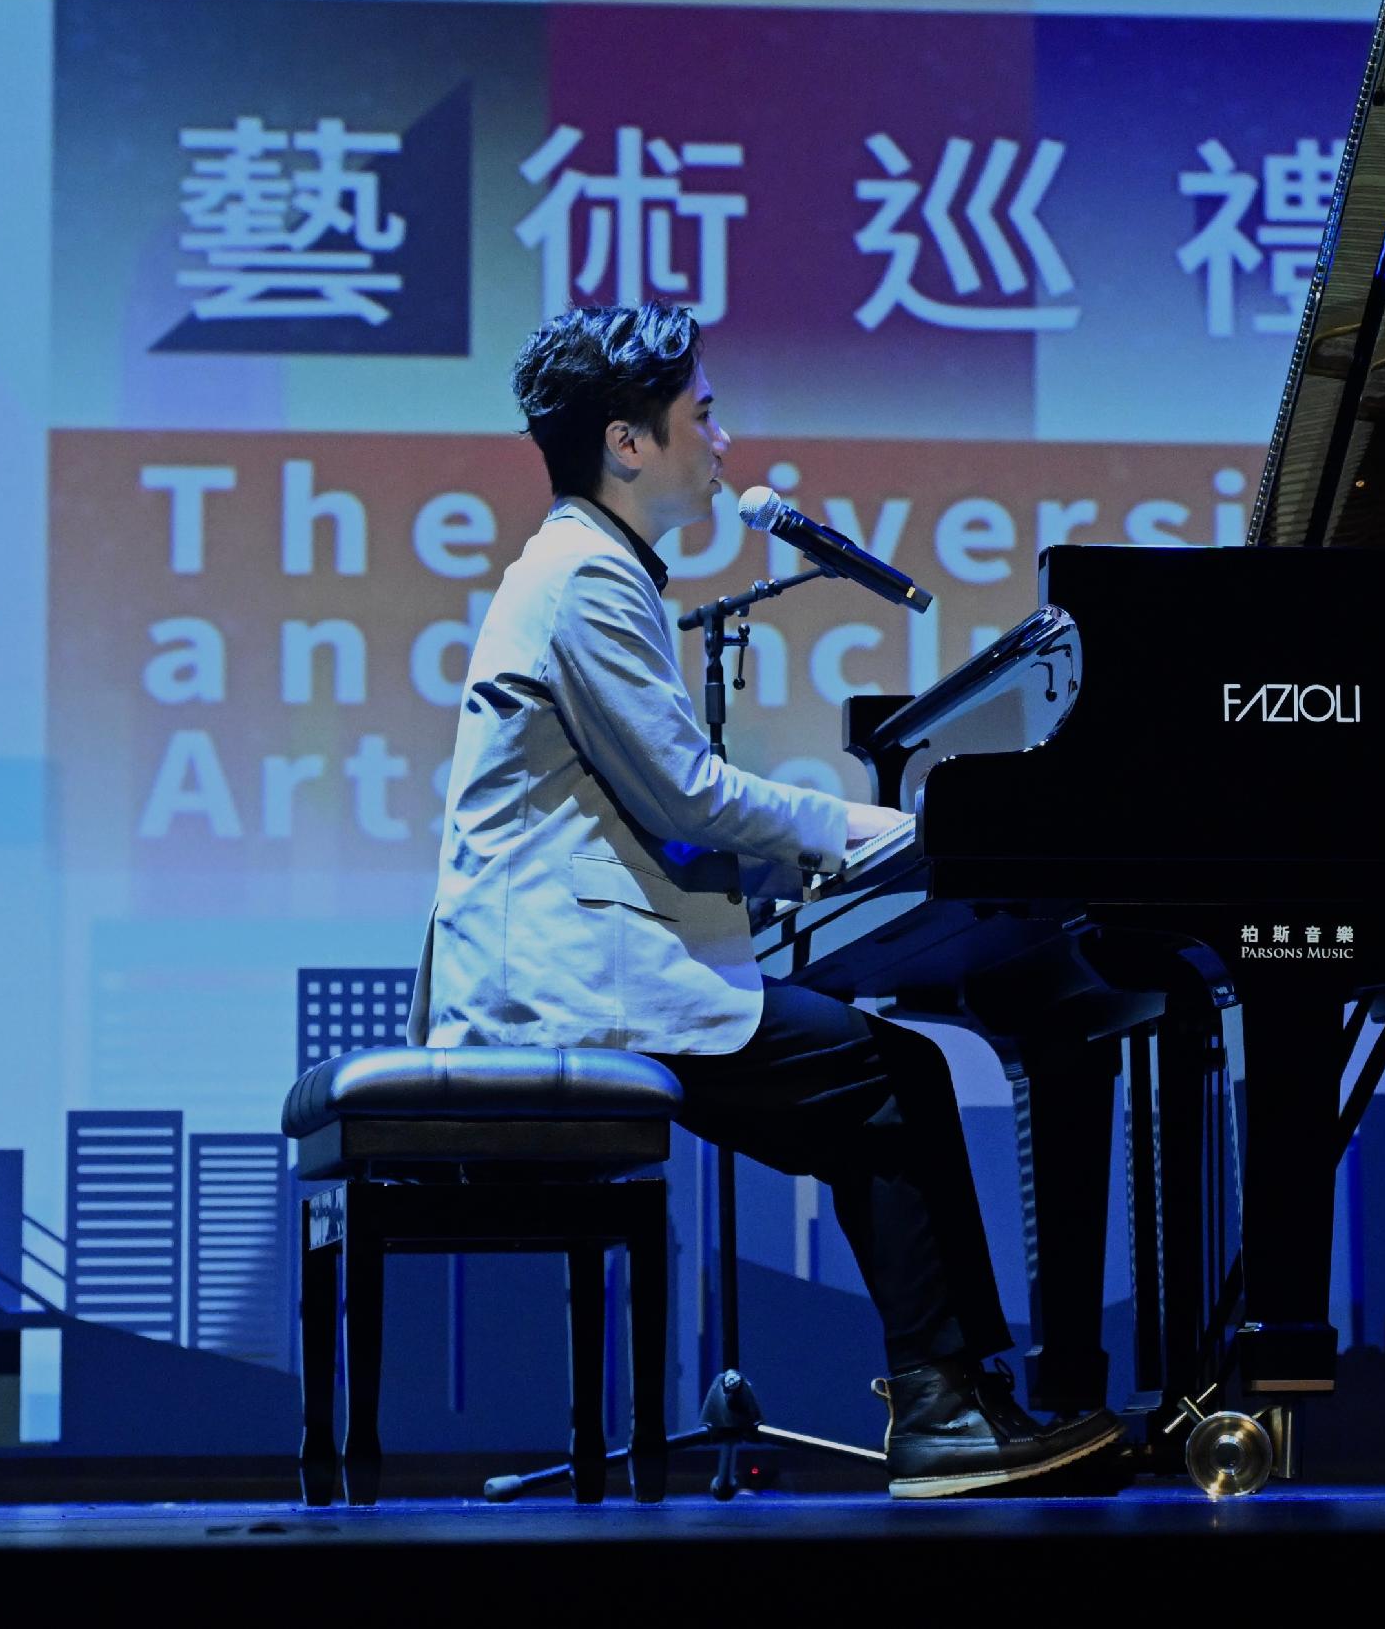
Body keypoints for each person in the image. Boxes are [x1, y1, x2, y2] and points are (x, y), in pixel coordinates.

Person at [416, 303, 1125, 1498]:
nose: (724, 440)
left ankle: (955, 1399)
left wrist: (806, 872)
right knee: (889, 1080)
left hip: (595, 964)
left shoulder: (585, 566)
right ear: (625, 443)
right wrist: (865, 830)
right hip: (577, 991)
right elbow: (686, 796)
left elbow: (657, 810)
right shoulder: (582, 576)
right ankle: (946, 1409)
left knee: (882, 1078)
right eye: (702, 414)